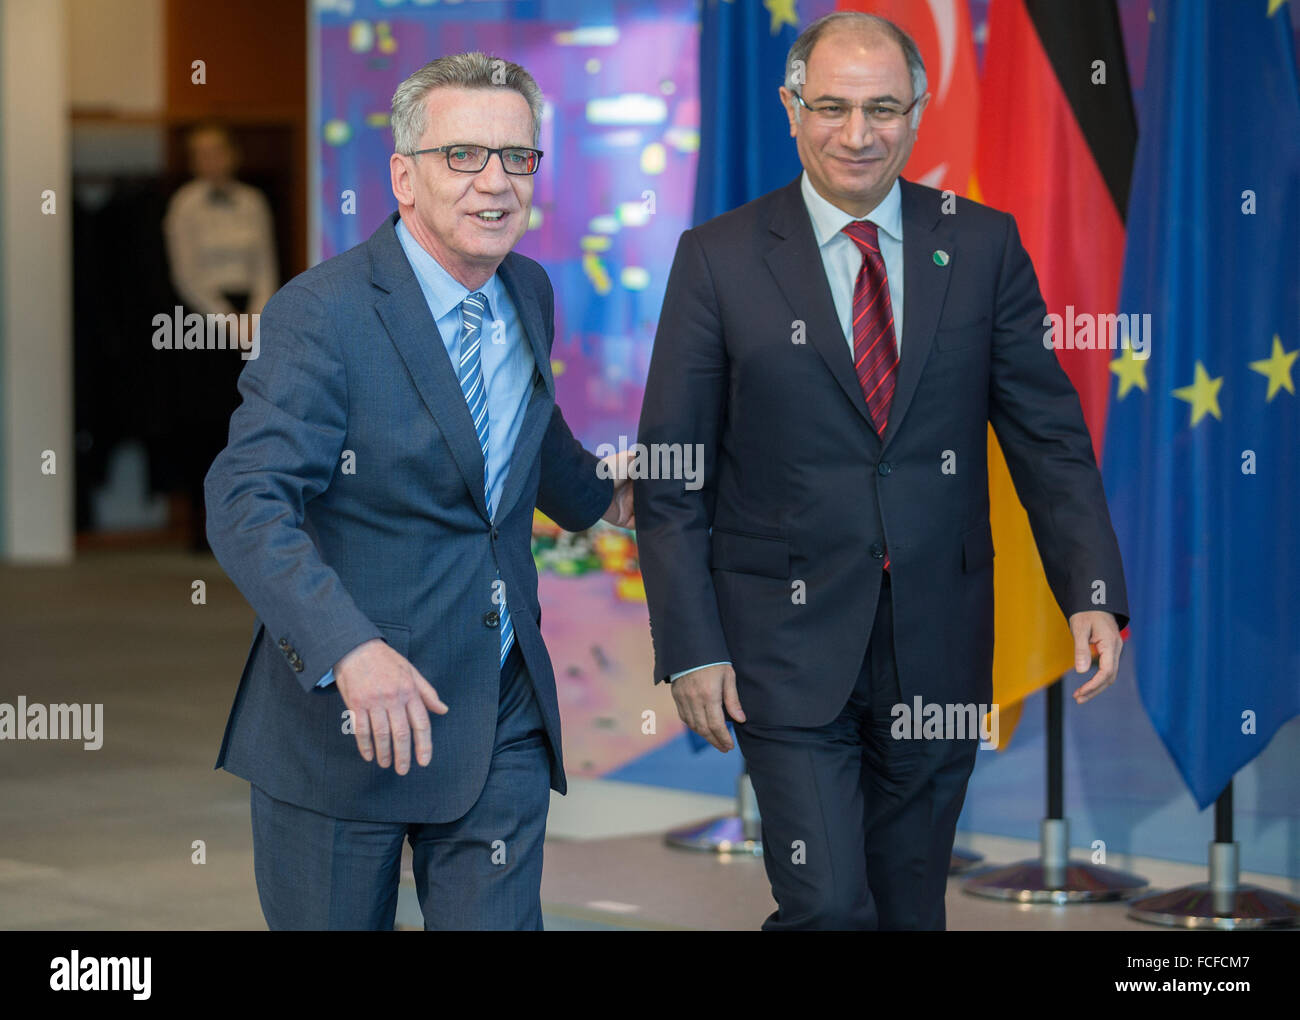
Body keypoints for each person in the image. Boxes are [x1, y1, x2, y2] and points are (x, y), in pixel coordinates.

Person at [634, 12, 1128, 931]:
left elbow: (1048, 436)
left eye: (882, 109)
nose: (857, 135)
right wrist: (691, 645)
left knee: (908, 907)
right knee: (827, 905)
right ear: (791, 109)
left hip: (937, 641)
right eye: (831, 107)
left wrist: (1090, 587)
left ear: (918, 109)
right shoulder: (719, 257)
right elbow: (674, 476)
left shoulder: (981, 245)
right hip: (780, 648)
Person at [205, 52, 633, 930]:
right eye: (462, 156)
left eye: (517, 157)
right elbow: (246, 499)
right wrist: (347, 649)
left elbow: (517, 430)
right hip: (344, 724)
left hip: (499, 704)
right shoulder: (322, 313)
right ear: (403, 176)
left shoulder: (528, 289)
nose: (496, 182)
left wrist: (607, 496)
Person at [162, 124, 277, 550]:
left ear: (232, 154)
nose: (209, 160)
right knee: (203, 423)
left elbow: (265, 263)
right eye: (200, 153)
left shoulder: (252, 200)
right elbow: (187, 275)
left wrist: (256, 317)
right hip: (201, 321)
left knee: (247, 421)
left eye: (216, 150)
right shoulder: (184, 205)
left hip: (251, 315)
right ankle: (202, 527)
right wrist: (229, 322)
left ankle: (249, 523)